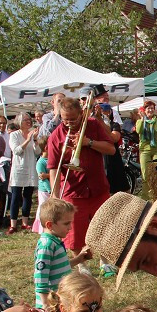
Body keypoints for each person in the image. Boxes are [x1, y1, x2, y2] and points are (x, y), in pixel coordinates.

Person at [46, 95, 114, 251]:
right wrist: (55, 196)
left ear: (81, 114)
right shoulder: (56, 136)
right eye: (65, 119)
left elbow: (111, 149)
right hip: (73, 192)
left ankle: (105, 262)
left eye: (73, 119)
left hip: (98, 189)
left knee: (104, 228)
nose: (69, 123)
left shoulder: (93, 125)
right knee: (75, 233)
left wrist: (89, 143)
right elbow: (54, 167)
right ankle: (81, 264)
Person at [33, 198, 92, 311]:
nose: (70, 227)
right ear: (50, 225)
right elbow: (40, 276)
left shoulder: (55, 241)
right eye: (66, 223)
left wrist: (78, 259)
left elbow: (59, 266)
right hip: (52, 305)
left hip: (62, 300)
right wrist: (46, 303)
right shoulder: (47, 245)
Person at [7, 112, 39, 234]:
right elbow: (17, 151)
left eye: (29, 119)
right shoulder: (14, 135)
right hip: (19, 169)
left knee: (28, 196)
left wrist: (35, 140)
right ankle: (13, 224)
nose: (29, 122)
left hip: (31, 167)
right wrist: (28, 139)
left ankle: (25, 223)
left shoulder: (33, 134)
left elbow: (37, 152)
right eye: (26, 120)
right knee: (15, 196)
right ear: (20, 121)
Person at [136, 99, 157, 197]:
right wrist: (141, 119)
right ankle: (146, 198)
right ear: (144, 110)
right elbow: (138, 131)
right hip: (144, 149)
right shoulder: (140, 121)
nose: (150, 110)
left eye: (152, 108)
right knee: (145, 175)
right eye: (148, 108)